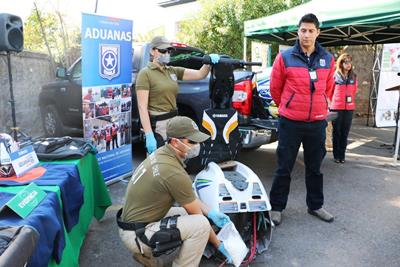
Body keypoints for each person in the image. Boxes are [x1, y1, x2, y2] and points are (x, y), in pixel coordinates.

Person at [117, 116, 233, 266]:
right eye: (191, 141)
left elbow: (187, 197)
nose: (197, 145)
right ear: (174, 141)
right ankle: (147, 252)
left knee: (189, 214)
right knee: (201, 225)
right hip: (137, 234)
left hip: (131, 224)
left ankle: (148, 259)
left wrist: (211, 212)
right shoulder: (173, 172)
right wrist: (219, 245)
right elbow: (197, 215)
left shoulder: (161, 154)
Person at [268, 13, 335, 225]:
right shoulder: (285, 57)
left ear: (318, 33)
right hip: (291, 122)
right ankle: (277, 207)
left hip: (316, 122)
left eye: (311, 31)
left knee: (315, 167)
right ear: (298, 32)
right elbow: (275, 88)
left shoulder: (328, 58)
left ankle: (315, 205)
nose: (306, 35)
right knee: (284, 167)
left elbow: (330, 88)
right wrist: (288, 106)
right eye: (303, 30)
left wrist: (321, 106)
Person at [136, 36, 220, 154]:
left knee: (176, 158)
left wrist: (208, 63)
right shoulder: (145, 74)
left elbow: (200, 74)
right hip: (159, 125)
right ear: (152, 51)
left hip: (174, 121)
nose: (166, 54)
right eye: (163, 51)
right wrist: (149, 135)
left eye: (169, 51)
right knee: (160, 162)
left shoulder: (172, 70)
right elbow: (142, 107)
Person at [330, 53, 358, 163]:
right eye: (346, 62)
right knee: (337, 132)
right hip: (336, 107)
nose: (348, 64)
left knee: (345, 132)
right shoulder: (334, 76)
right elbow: (329, 91)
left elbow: (354, 91)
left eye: (349, 62)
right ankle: (336, 155)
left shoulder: (353, 76)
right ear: (341, 63)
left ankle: (342, 155)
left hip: (349, 108)